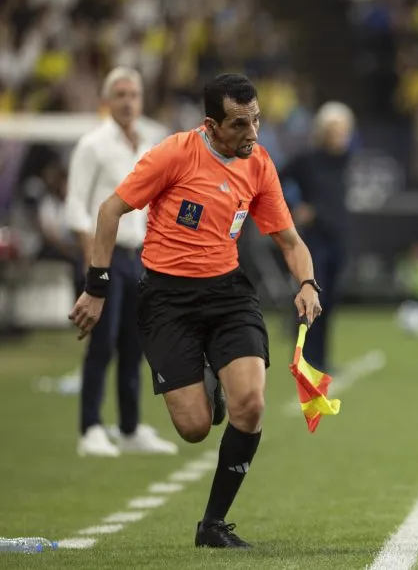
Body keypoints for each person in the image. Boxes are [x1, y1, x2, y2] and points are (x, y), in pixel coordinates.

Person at [68, 73, 323, 549]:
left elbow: (289, 241)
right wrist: (96, 288)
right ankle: (209, 373)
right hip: (167, 300)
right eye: (241, 124)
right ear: (211, 125)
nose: (253, 134)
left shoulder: (259, 164)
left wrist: (306, 282)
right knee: (193, 428)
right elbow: (108, 212)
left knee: (251, 405)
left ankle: (213, 525)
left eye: (257, 120)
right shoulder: (174, 154)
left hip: (228, 295)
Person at [64, 67, 177, 457]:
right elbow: (77, 204)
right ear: (107, 100)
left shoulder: (151, 140)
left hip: (141, 256)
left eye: (134, 94)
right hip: (106, 256)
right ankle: (90, 428)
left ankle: (129, 429)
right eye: (121, 94)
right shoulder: (92, 145)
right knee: (103, 343)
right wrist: (93, 260)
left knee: (135, 344)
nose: (128, 101)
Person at [279, 101, 353, 371]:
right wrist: (295, 207)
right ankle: (306, 357)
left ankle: (321, 358)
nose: (340, 136)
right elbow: (276, 180)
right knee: (313, 299)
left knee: (330, 302)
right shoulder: (308, 160)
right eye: (335, 130)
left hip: (338, 238)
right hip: (315, 240)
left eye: (344, 130)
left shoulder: (345, 160)